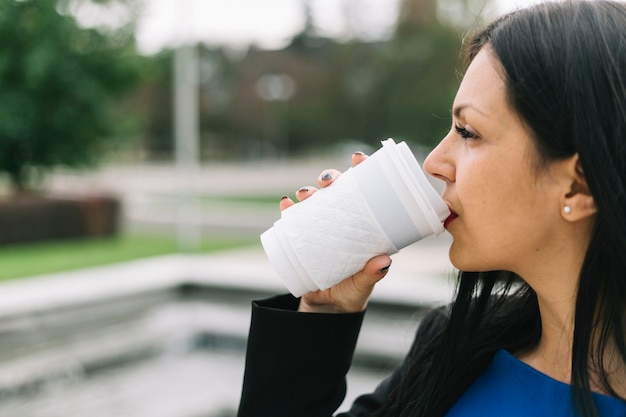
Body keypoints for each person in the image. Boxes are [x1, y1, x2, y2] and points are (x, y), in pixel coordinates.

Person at [237, 1, 626, 416]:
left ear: (578, 186)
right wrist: (323, 310)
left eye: (468, 132)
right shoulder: (453, 348)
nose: (435, 163)